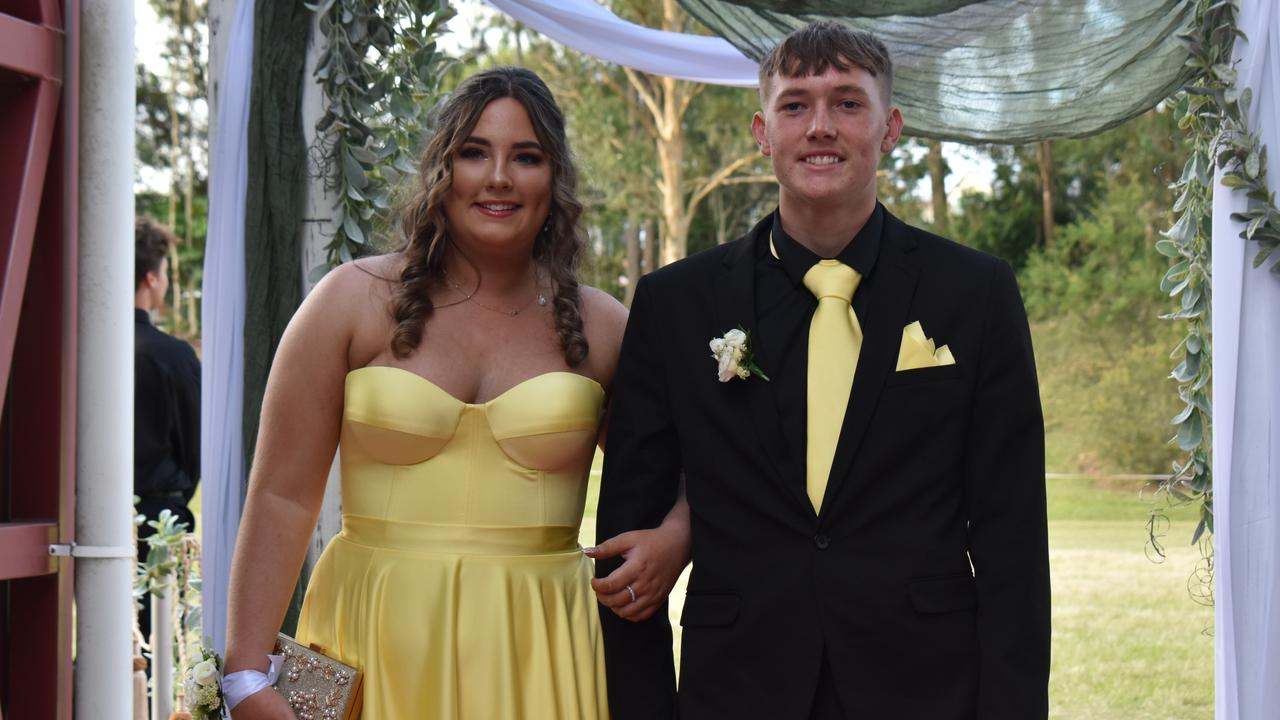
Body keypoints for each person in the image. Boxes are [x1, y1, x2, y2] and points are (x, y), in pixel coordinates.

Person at [594, 21, 1050, 720]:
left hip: (925, 689)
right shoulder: (675, 305)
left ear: (890, 127)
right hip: (736, 690)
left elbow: (1012, 538)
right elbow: (627, 549)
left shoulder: (976, 294)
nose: (820, 126)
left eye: (847, 103)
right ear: (762, 131)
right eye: (795, 105)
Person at [223, 66, 691, 720]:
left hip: (542, 650)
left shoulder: (604, 325)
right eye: (475, 152)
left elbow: (698, 464)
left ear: (554, 180)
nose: (498, 176)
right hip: (377, 635)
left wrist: (679, 533)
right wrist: (244, 673)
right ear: (441, 170)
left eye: (525, 157)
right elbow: (280, 494)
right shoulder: (351, 302)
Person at [134, 217, 201, 632]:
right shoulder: (175, 357)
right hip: (160, 520)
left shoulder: (73, 349)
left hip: (76, 517)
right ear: (151, 278)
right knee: (156, 644)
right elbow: (195, 451)